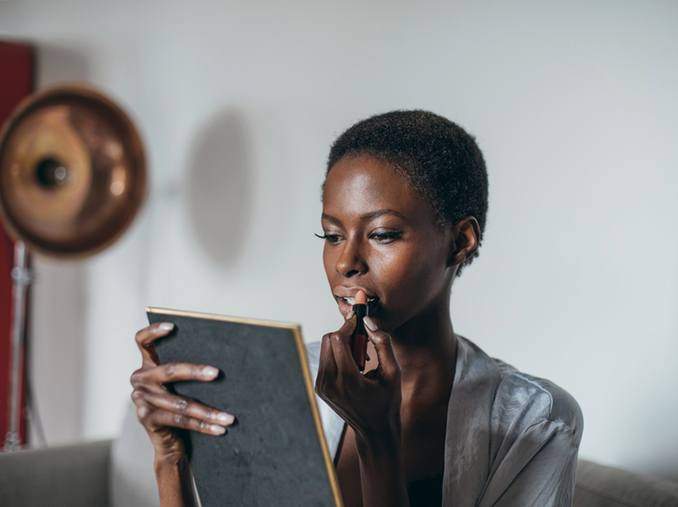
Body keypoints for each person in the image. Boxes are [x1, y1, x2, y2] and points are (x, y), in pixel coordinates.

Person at [130, 110, 584, 506]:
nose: (346, 263)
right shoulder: (277, 381)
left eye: (383, 234)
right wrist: (171, 461)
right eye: (331, 235)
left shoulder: (536, 419)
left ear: (460, 242)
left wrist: (377, 440)